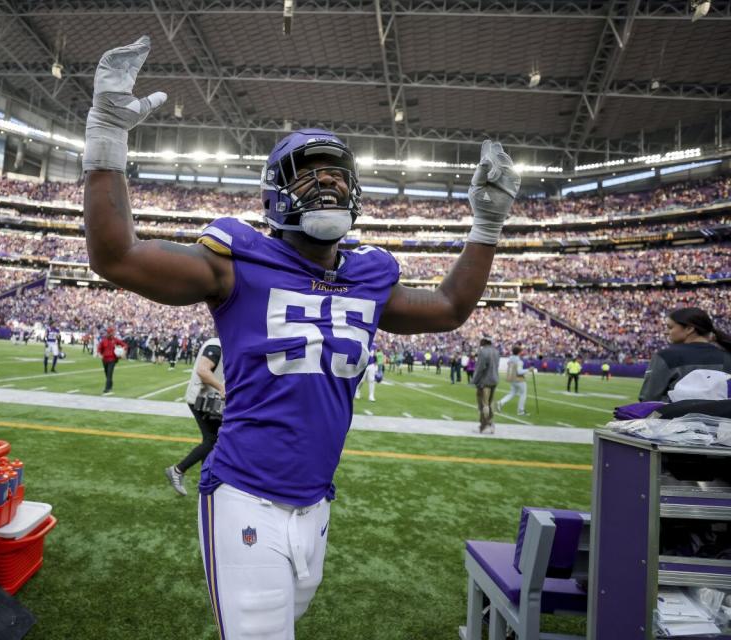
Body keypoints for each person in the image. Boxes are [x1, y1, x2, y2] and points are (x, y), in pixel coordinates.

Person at [82, 36, 519, 639]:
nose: (326, 186)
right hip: (244, 494)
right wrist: (107, 134)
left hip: (317, 501)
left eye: (336, 176)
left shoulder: (368, 275)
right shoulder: (237, 259)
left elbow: (449, 307)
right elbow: (117, 256)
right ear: (274, 192)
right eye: (307, 174)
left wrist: (487, 223)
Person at [166, 337, 227, 496]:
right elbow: (202, 370)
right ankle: (178, 470)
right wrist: (221, 387)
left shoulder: (221, 343)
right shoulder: (217, 345)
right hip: (203, 399)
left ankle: (205, 479)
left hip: (206, 399)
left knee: (210, 439)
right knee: (212, 439)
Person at [638, 307, 731, 402]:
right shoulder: (727, 357)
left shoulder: (665, 356)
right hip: (718, 416)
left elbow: (648, 400)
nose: (666, 332)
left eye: (670, 327)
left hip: (674, 416)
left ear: (689, 329)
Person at [472, 338, 500, 434]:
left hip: (485, 381)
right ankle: (489, 424)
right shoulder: (496, 351)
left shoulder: (483, 352)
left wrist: (474, 380)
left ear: (484, 341)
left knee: (483, 404)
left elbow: (480, 368)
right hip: (494, 380)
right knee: (489, 403)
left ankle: (485, 425)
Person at [497, 344, 531, 416]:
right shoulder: (518, 360)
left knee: (512, 393)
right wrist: (529, 370)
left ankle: (501, 402)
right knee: (523, 394)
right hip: (518, 379)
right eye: (521, 351)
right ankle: (520, 411)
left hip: (511, 378)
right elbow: (519, 371)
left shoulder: (511, 358)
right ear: (519, 352)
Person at [97, 327, 128, 395]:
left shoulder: (115, 340)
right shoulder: (103, 340)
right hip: (104, 359)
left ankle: (107, 388)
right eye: (111, 333)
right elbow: (99, 348)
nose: (112, 334)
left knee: (109, 374)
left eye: (113, 333)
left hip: (112, 360)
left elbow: (125, 345)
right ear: (108, 333)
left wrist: (123, 352)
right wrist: (99, 354)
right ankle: (110, 385)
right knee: (106, 373)